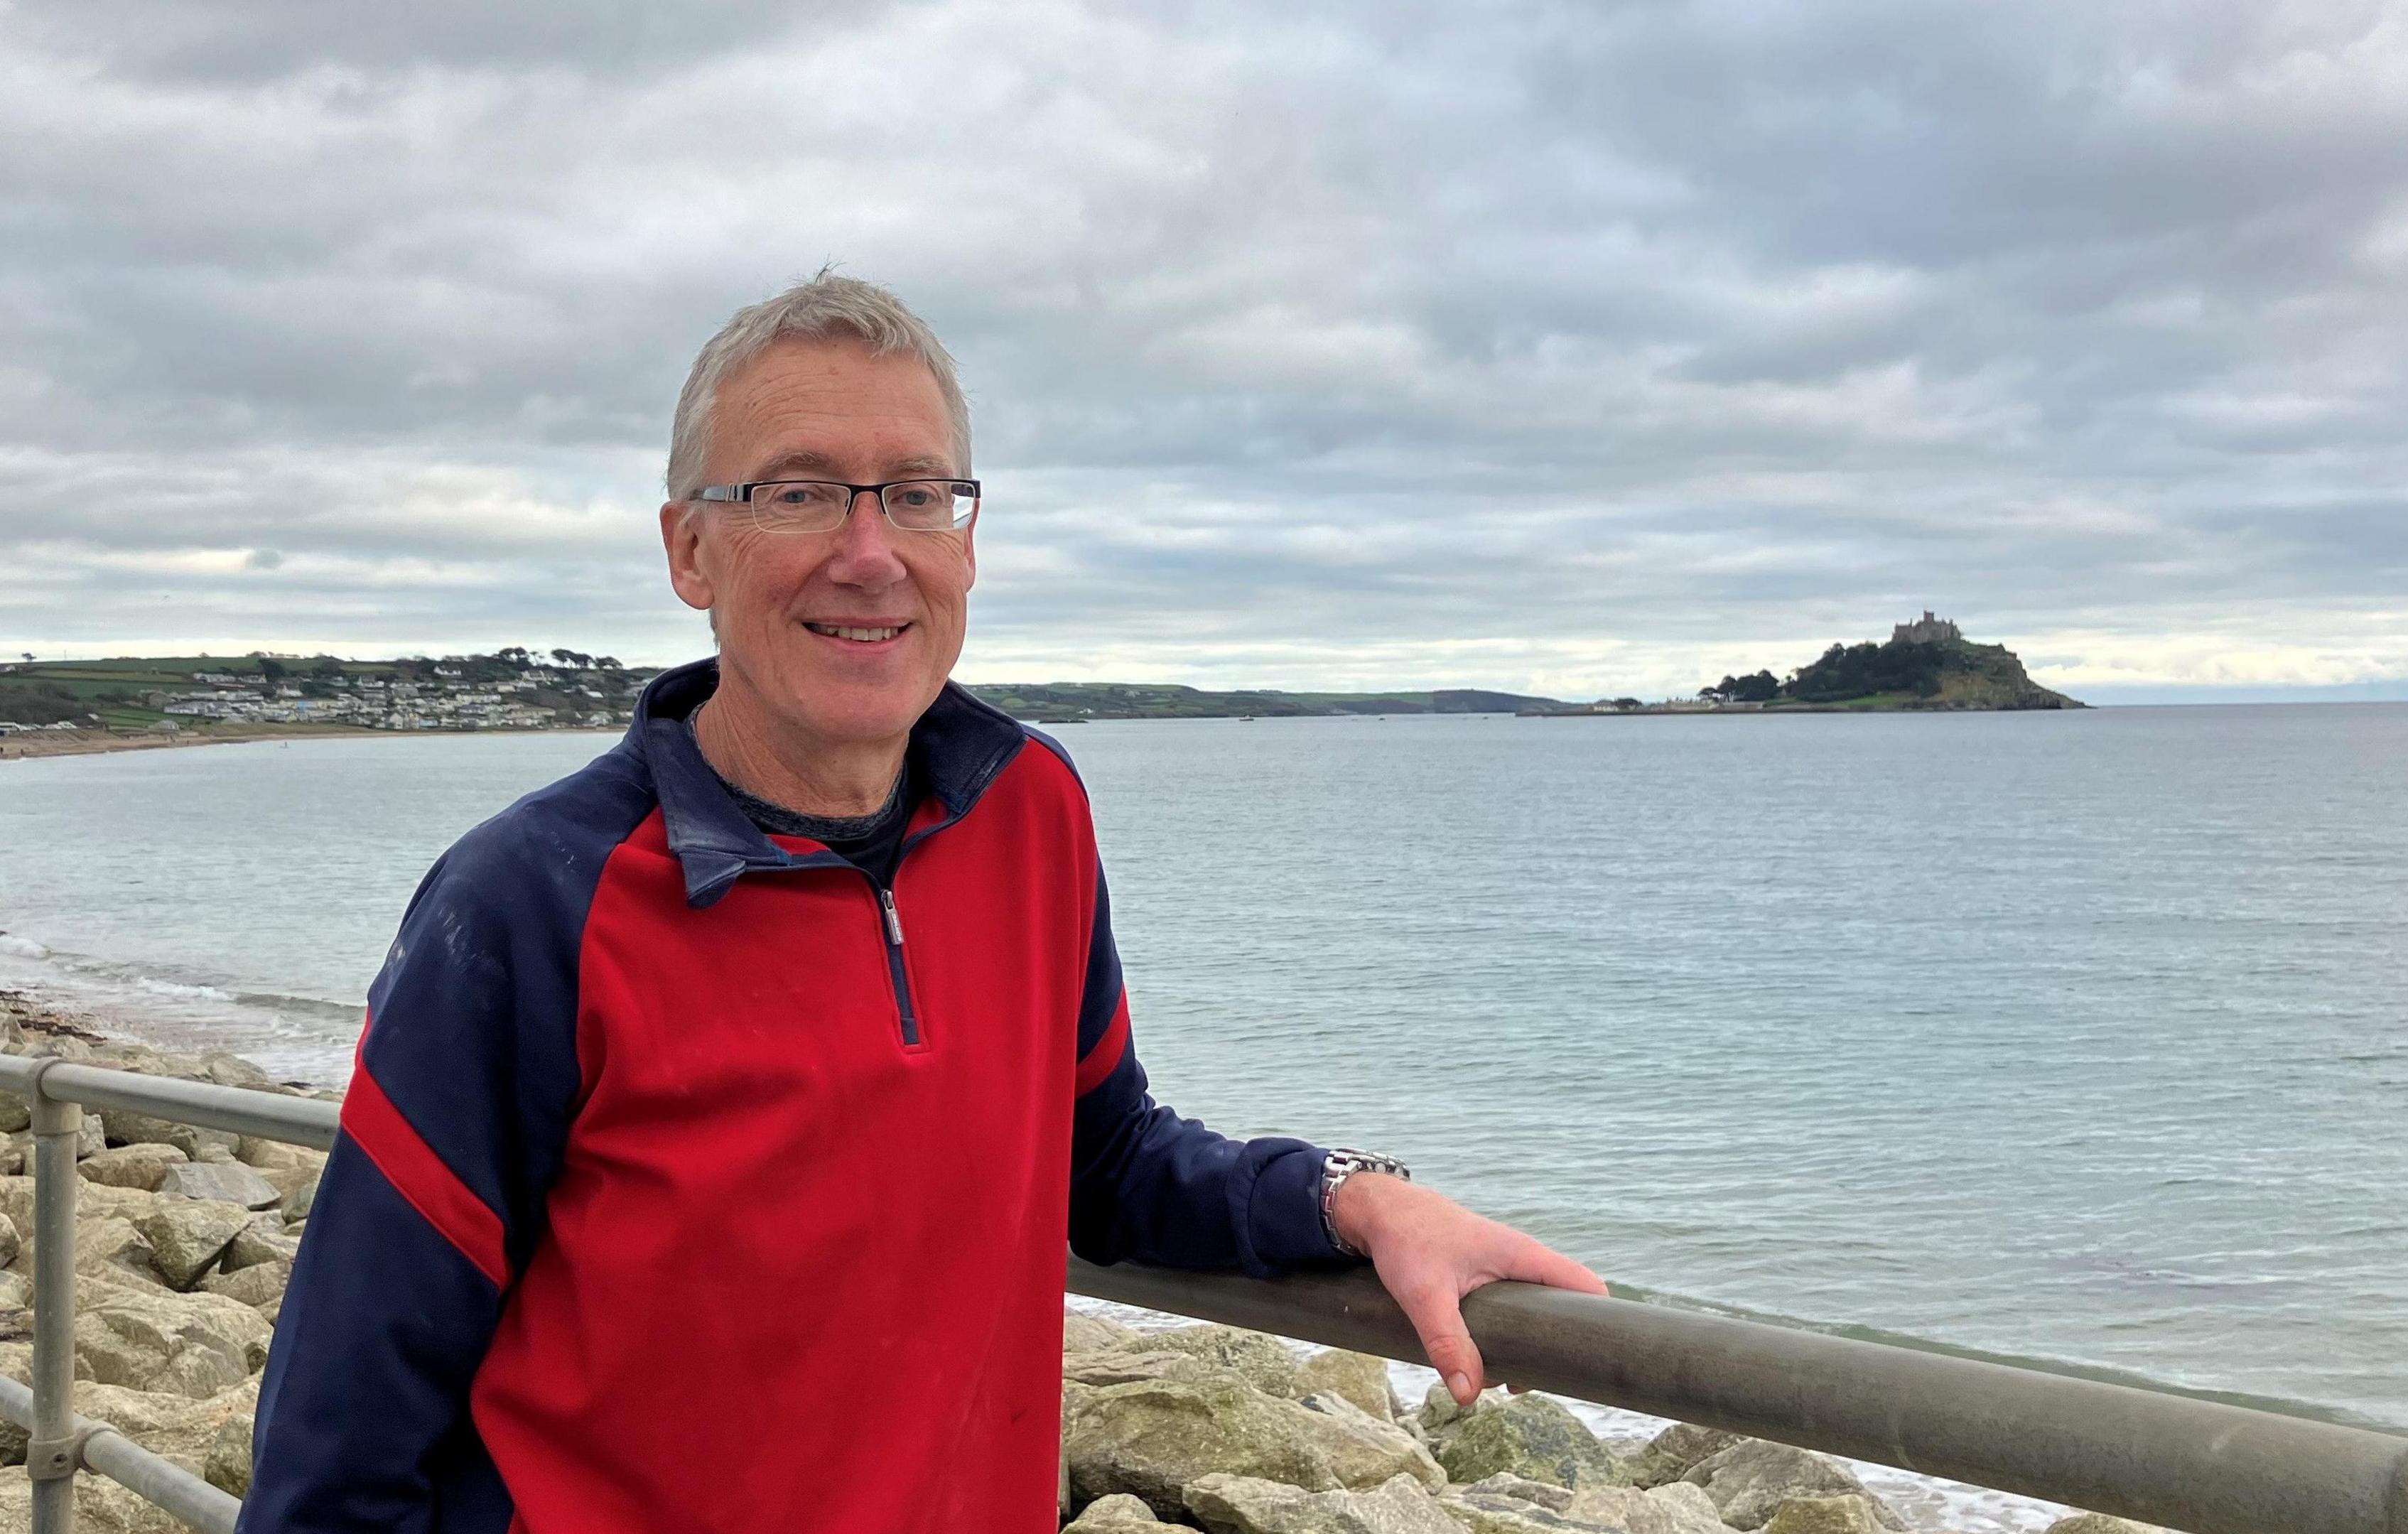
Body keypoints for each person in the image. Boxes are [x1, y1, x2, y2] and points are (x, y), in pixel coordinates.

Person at [240, 274, 1604, 1533]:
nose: (870, 551)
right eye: (798, 493)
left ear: (967, 538)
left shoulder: (1032, 810)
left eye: (917, 494)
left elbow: (1102, 1156)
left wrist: (1351, 1200)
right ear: (690, 553)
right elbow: (343, 1432)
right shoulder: (530, 905)